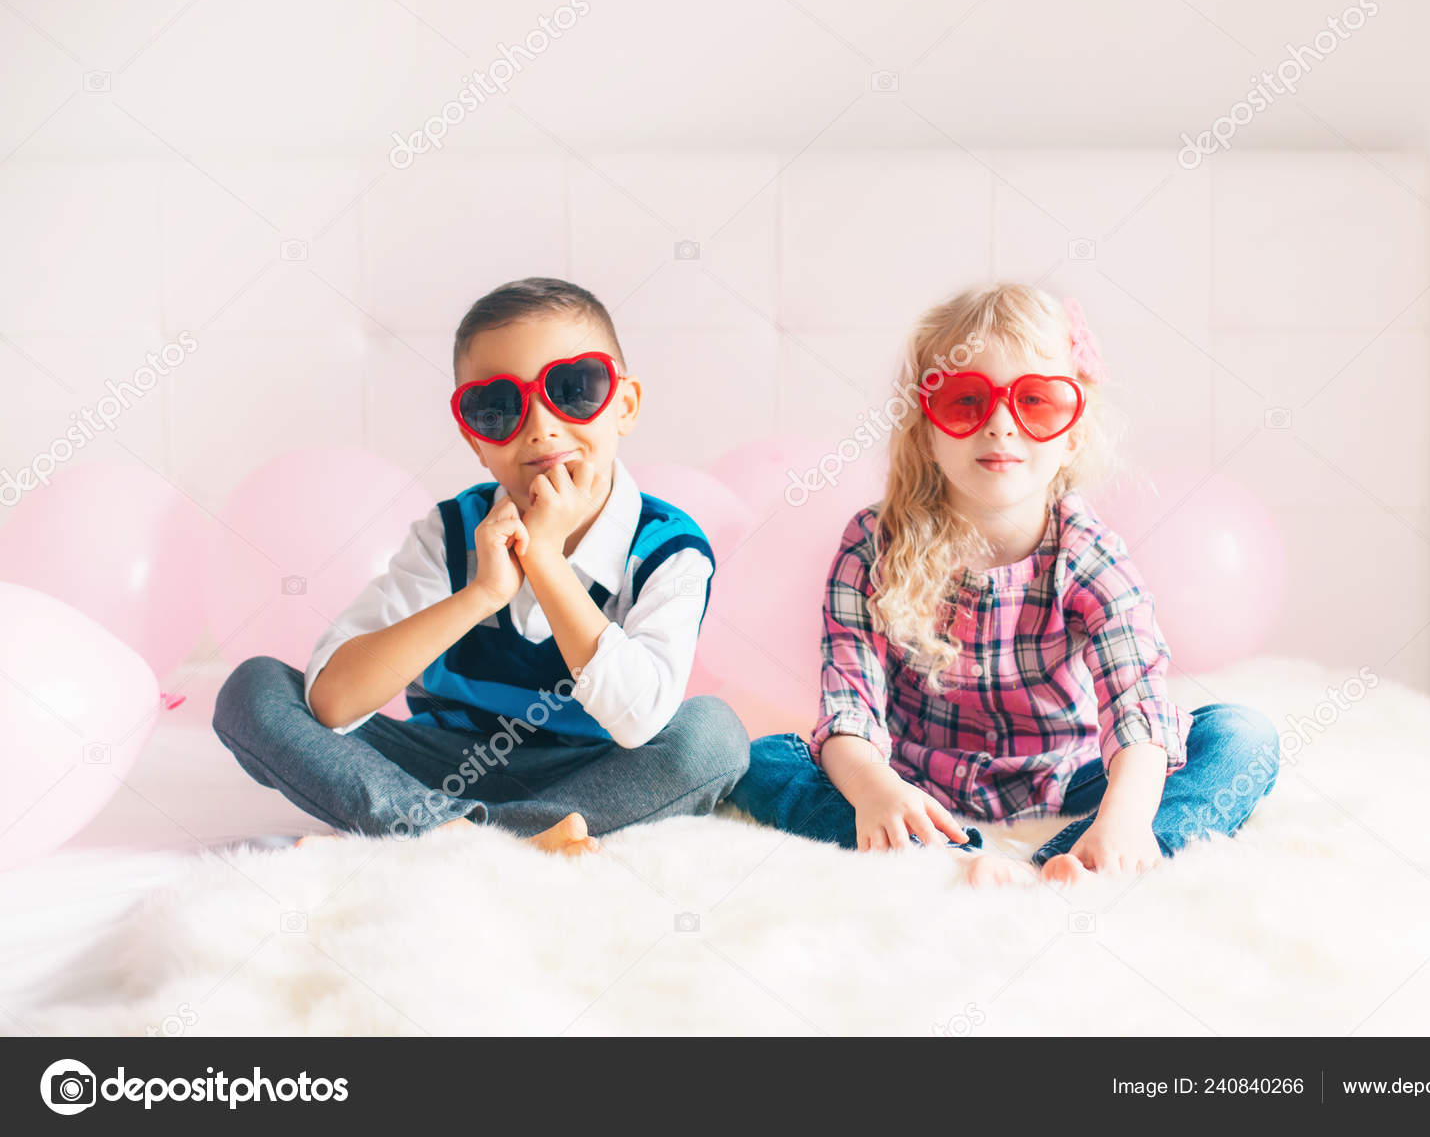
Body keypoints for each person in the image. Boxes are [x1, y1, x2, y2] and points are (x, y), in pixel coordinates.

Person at [726, 283, 1280, 887]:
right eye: (966, 401)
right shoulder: (872, 545)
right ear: (927, 429)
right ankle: (944, 853)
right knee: (762, 759)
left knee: (1241, 737)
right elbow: (848, 708)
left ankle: (1070, 859)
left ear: (1071, 429)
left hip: (1069, 779)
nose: (999, 425)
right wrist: (877, 789)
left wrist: (1123, 816)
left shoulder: (1087, 552)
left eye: (1035, 403)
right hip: (919, 784)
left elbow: (1138, 704)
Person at [213, 277, 750, 854]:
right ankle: (455, 829)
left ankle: (457, 836)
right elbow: (333, 703)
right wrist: (484, 593)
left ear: (624, 405)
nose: (541, 427)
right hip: (436, 768)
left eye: (572, 388)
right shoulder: (449, 535)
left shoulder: (670, 549)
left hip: (593, 773)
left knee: (715, 736)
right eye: (499, 408)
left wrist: (545, 561)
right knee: (256, 689)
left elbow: (638, 719)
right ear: (475, 441)